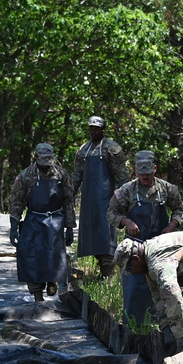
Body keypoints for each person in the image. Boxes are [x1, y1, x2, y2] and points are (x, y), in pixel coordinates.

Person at [107, 150, 183, 326]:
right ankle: (132, 327)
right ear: (135, 170)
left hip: (161, 248)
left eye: (148, 174)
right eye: (141, 174)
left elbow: (179, 209)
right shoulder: (125, 191)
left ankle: (161, 328)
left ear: (154, 169)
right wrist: (126, 221)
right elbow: (111, 213)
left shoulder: (167, 189)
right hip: (135, 248)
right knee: (134, 290)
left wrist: (172, 226)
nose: (145, 177)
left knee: (163, 288)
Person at [8, 143, 75, 302]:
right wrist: (14, 226)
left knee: (55, 257)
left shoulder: (61, 175)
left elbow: (68, 201)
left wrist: (70, 226)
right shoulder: (25, 176)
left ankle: (52, 281)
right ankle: (38, 297)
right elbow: (16, 201)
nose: (45, 167)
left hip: (55, 221)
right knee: (32, 258)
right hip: (34, 221)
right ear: (35, 158)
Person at [72, 116, 129, 279]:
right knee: (90, 236)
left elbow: (122, 175)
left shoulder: (112, 147)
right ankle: (100, 270)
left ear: (103, 129)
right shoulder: (83, 149)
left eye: (96, 128)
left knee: (106, 236)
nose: (93, 131)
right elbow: (77, 175)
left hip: (107, 199)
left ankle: (109, 274)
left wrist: (121, 198)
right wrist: (71, 194)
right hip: (89, 201)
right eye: (91, 128)